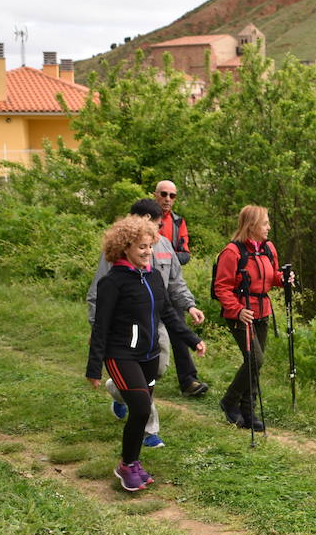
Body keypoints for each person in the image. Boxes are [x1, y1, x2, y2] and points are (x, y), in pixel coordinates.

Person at [85, 214, 206, 491]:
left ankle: (133, 461)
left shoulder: (152, 277)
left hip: (149, 355)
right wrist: (94, 367)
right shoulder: (112, 282)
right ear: (125, 247)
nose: (147, 252)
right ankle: (126, 465)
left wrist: (192, 339)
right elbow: (100, 327)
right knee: (140, 408)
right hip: (121, 354)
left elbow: (167, 314)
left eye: (150, 246)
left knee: (140, 410)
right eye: (141, 246)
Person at [213, 205, 292, 431]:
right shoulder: (232, 252)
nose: (269, 227)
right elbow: (221, 287)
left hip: (262, 312)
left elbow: (271, 277)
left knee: (254, 364)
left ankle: (248, 411)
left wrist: (283, 279)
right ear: (252, 226)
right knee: (255, 359)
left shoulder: (267, 248)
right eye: (265, 223)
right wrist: (237, 309)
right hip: (240, 314)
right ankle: (229, 401)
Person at [154, 180, 190, 265]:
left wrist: (160, 257)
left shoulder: (178, 222)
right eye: (164, 194)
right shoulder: (143, 219)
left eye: (172, 196)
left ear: (175, 199)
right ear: (155, 195)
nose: (167, 199)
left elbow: (185, 255)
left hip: (170, 273)